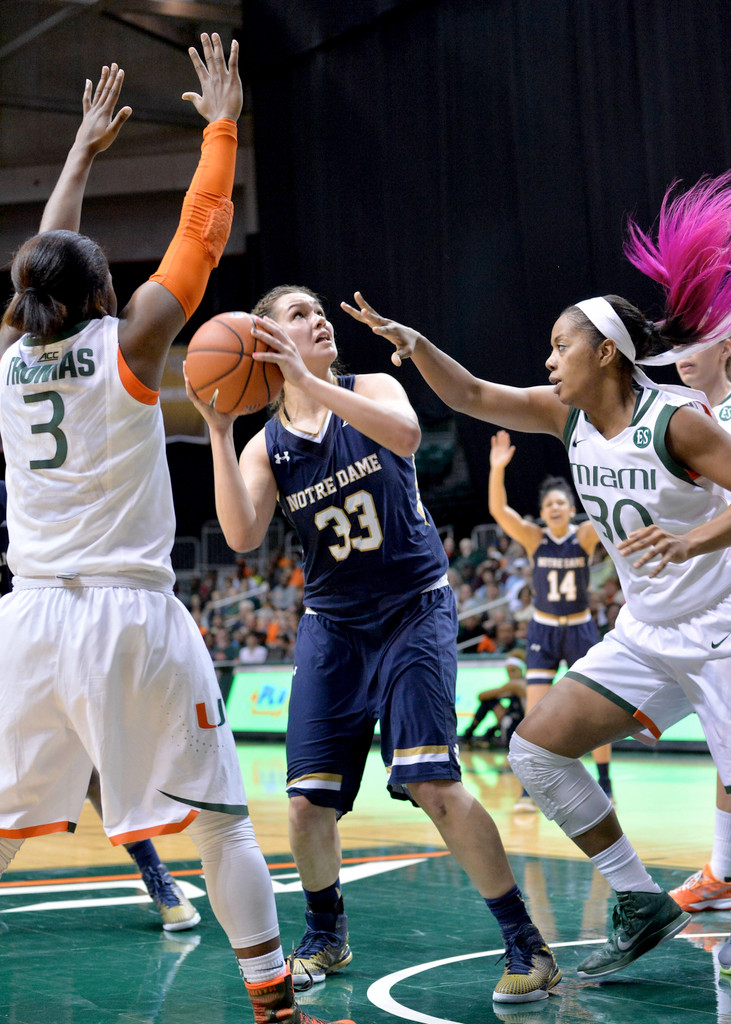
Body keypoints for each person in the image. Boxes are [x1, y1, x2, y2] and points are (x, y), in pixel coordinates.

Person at [0, 40, 350, 1024]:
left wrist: (76, 153)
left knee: (6, 825)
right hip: (128, 618)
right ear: (104, 299)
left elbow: (47, 257)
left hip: (25, 622)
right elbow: (202, 233)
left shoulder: (10, 357)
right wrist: (222, 122)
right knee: (222, 819)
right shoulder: (133, 343)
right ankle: (272, 1001)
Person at [341, 272, 731, 982]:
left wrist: (693, 539)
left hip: (721, 629)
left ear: (606, 352)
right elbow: (468, 394)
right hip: (645, 631)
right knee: (534, 750)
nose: (548, 361)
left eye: (561, 346)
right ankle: (641, 901)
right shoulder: (566, 417)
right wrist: (416, 343)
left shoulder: (675, 421)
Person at [184, 284, 561, 1005]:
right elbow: (239, 536)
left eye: (318, 311)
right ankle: (326, 933)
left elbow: (408, 437)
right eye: (298, 315)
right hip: (332, 626)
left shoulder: (375, 387)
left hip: (413, 608)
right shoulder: (268, 445)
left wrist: (308, 380)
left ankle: (526, 944)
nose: (319, 318)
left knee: (432, 782)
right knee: (304, 806)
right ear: (264, 340)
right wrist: (218, 430)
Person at [622, 174, 731, 931]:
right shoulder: (690, 417)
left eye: (693, 350)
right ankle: (724, 870)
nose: (678, 360)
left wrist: (690, 539)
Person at [487, 432, 613, 810]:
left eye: (561, 502)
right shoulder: (533, 538)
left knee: (597, 711)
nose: (555, 508)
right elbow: (499, 511)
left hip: (580, 629)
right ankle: (530, 789)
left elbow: (608, 507)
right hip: (543, 629)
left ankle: (605, 784)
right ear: (542, 512)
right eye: (549, 504)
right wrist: (497, 470)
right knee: (535, 713)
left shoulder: (587, 536)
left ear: (569, 507)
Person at [461, 650, 526, 749]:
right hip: (517, 722)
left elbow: (481, 695)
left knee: (489, 700)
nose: (510, 675)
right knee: (492, 701)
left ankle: (468, 734)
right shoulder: (524, 684)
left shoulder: (515, 684)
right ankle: (488, 732)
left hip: (520, 726)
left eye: (513, 670)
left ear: (521, 669)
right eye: (508, 671)